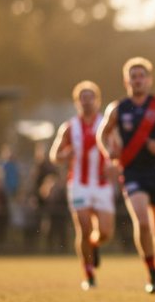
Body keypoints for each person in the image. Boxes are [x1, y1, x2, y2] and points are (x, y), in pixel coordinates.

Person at [98, 57, 155, 298]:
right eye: (133, 76)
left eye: (141, 76)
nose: (137, 80)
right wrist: (110, 152)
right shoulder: (118, 108)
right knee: (143, 222)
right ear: (126, 80)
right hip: (132, 172)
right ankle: (151, 274)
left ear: (149, 80)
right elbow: (103, 133)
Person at [50, 81, 117, 290]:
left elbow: (118, 150)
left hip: (102, 183)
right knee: (84, 227)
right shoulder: (70, 127)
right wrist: (64, 154)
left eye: (90, 97)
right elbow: (54, 155)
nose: (87, 102)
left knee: (105, 232)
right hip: (78, 183)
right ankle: (88, 274)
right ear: (77, 102)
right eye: (82, 98)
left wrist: (115, 165)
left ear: (97, 100)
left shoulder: (106, 125)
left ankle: (94, 246)